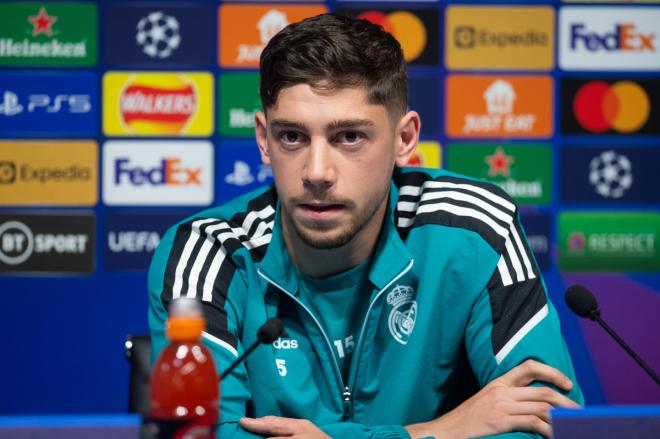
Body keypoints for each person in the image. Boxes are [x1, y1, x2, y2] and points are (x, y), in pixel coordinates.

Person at [149, 13, 583, 439]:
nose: (316, 172)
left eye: (350, 137)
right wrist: (432, 433)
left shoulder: (475, 226)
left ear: (404, 139)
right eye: (292, 137)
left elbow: (548, 420)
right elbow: (194, 435)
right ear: (264, 138)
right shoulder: (208, 250)